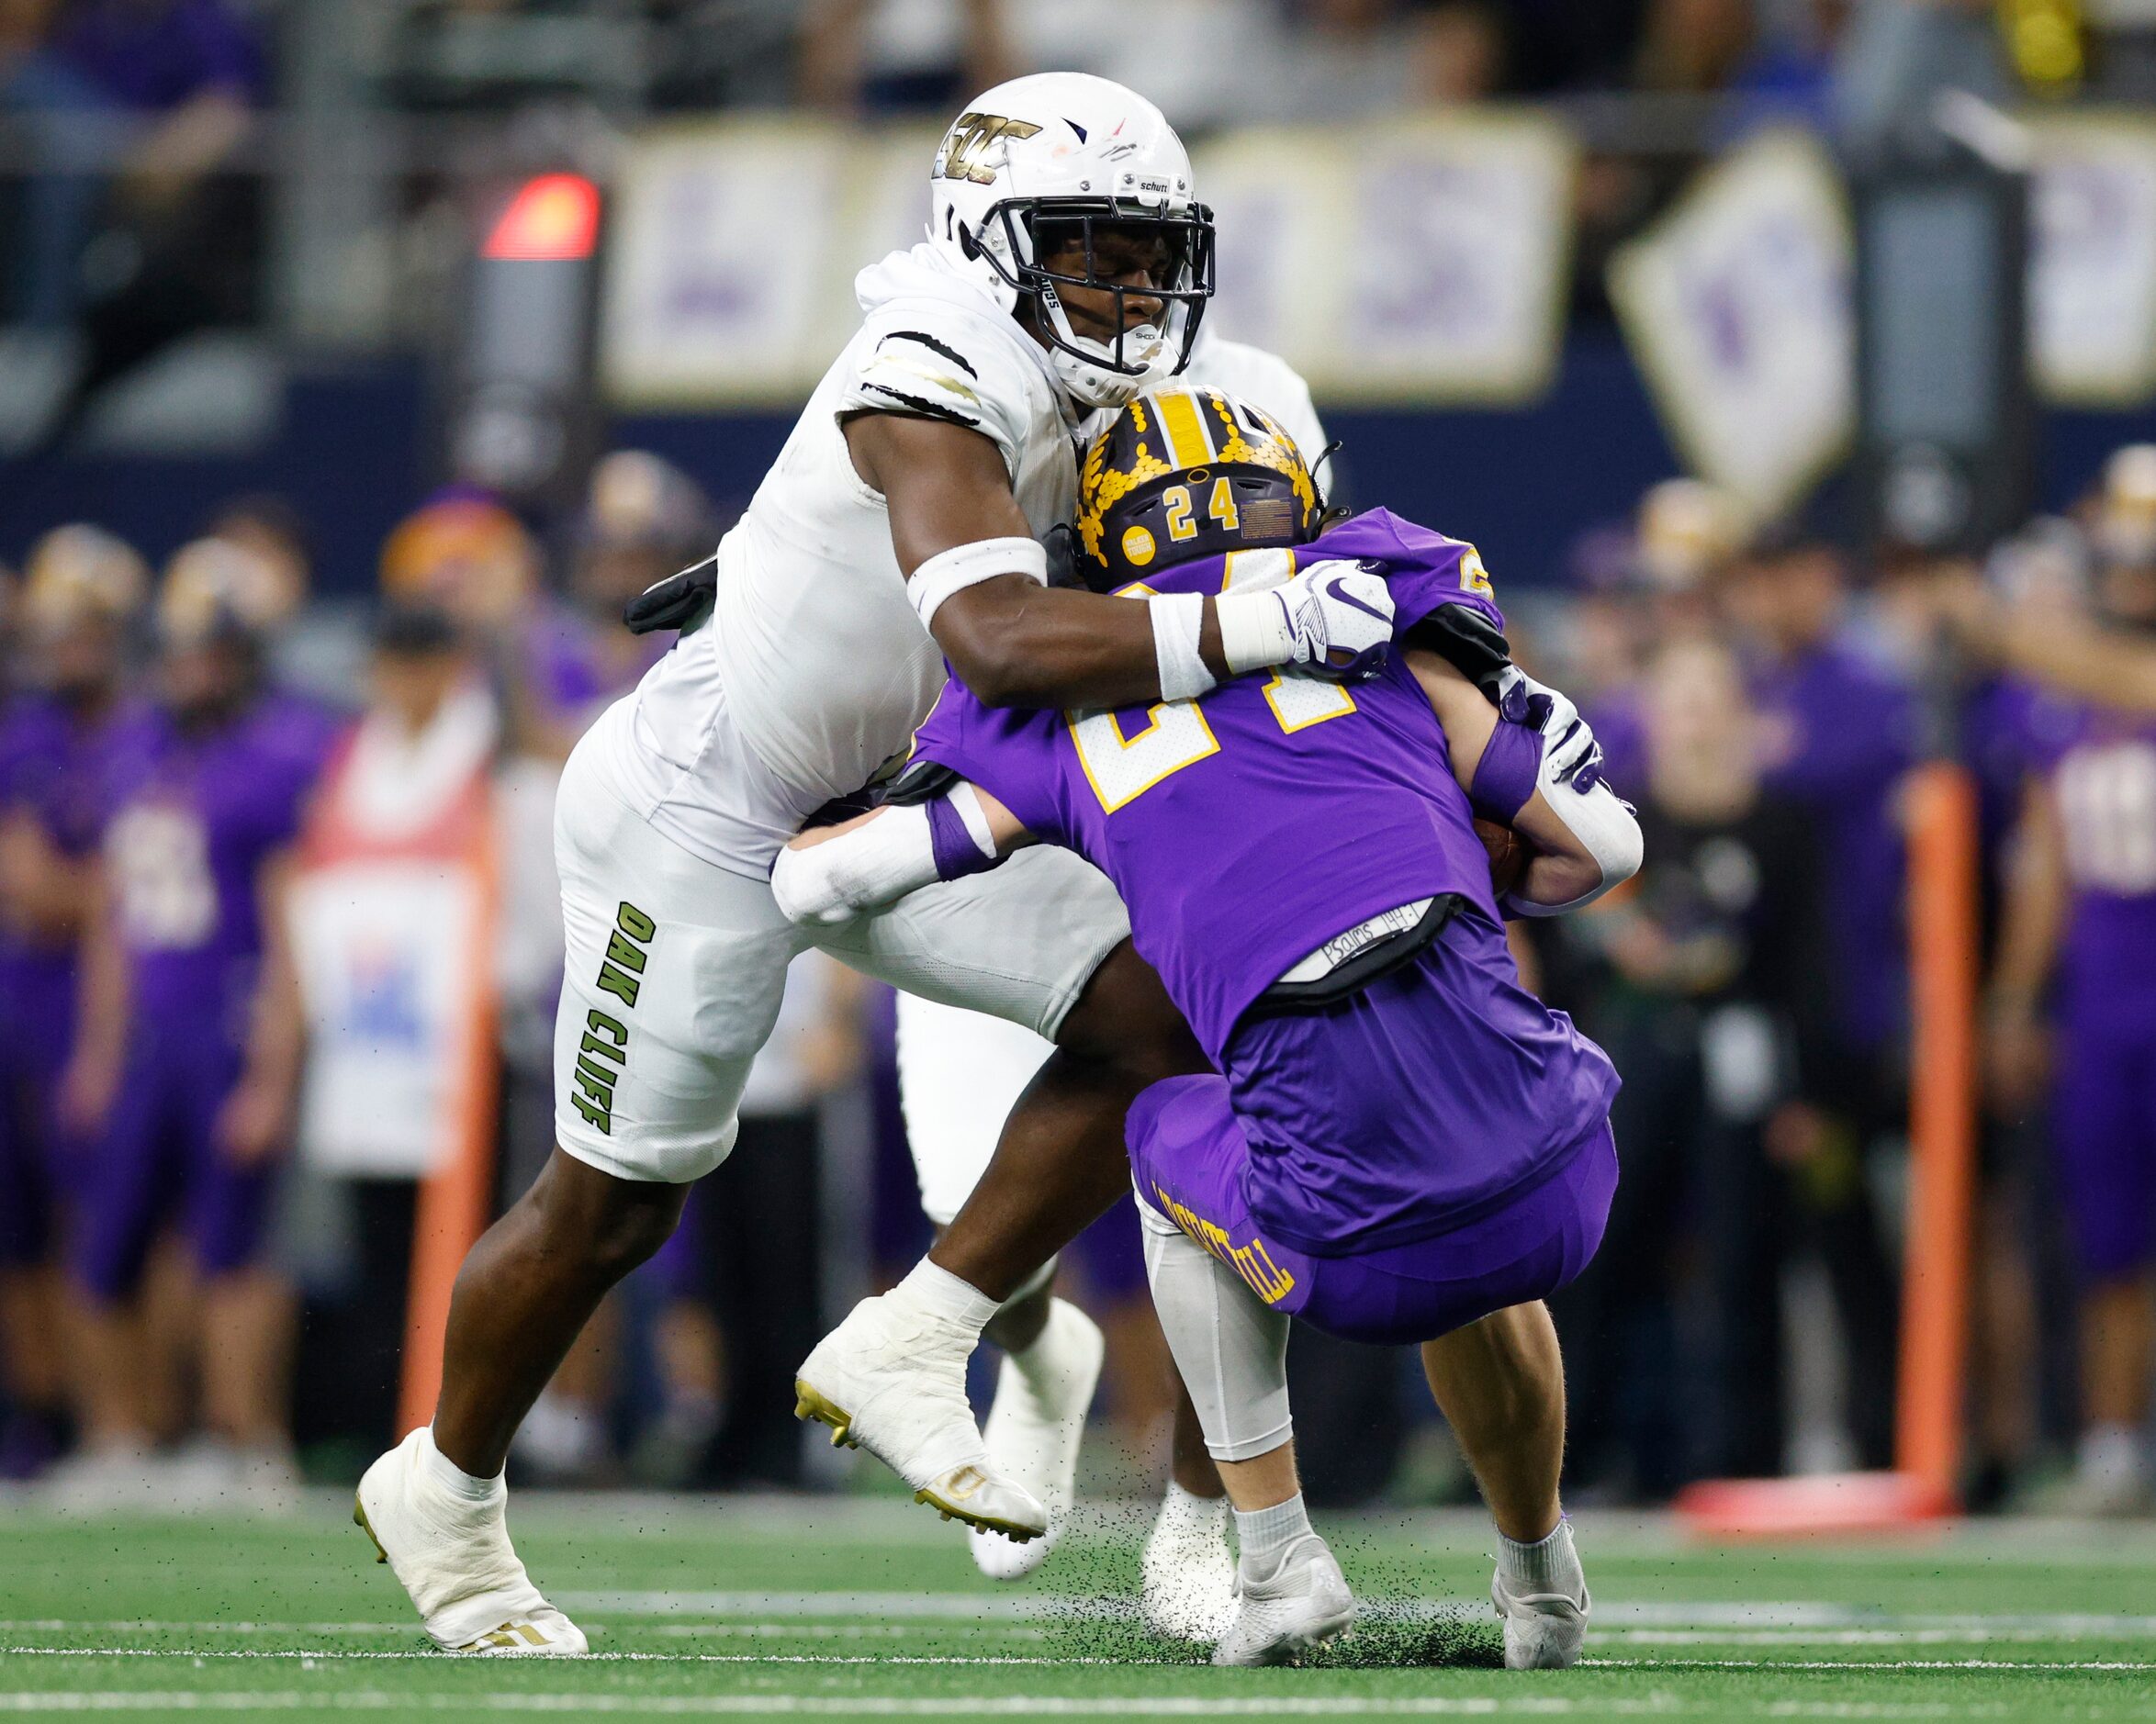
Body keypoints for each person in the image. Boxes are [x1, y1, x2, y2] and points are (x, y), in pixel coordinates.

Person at [351, 73, 1398, 1658]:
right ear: (983, 243)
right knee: (617, 1207)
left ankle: (947, 1336)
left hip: (908, 796)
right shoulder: (929, 358)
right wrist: (1274, 619)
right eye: (1085, 250)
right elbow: (998, 634)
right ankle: (446, 1482)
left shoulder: (1213, 387)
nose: (1123, 291)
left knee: (1183, 1007)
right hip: (710, 809)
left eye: (1145, 253)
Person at [777, 386, 1639, 1666]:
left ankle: (1277, 1556)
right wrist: (1453, 837)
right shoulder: (1389, 616)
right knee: (1469, 1164)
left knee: (1169, 1116)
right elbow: (1602, 853)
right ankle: (1543, 1581)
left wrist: (793, 819)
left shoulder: (1057, 710)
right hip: (1568, 1177)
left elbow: (822, 881)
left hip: (1349, 1240)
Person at [890, 319, 1330, 1618]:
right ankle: (1038, 1358)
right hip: (1028, 824)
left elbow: (1326, 586)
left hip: (1198, 844)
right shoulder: (962, 398)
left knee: (1225, 1204)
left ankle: (1209, 1520)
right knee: (978, 1210)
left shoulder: (1262, 393)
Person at [52, 537, 329, 1509]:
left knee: (235, 1249)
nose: (192, 670)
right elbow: (105, 921)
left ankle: (245, 1437)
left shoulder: (280, 753)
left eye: (210, 651)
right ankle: (117, 1437)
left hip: (226, 1024)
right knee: (106, 1242)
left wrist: (271, 1072)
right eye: (179, 651)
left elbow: (292, 926)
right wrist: (93, 1049)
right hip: (145, 1036)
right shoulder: (132, 750)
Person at [0, 525, 148, 1480]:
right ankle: (44, 1416)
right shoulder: (27, 739)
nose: (72, 644)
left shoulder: (149, 732)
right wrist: (108, 887)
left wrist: (97, 889)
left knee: (117, 1227)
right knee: (24, 1230)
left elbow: (124, 890)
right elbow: (32, 888)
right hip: (28, 1004)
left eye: (89, 624)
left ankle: (126, 1423)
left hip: (126, 1013)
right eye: (59, 625)